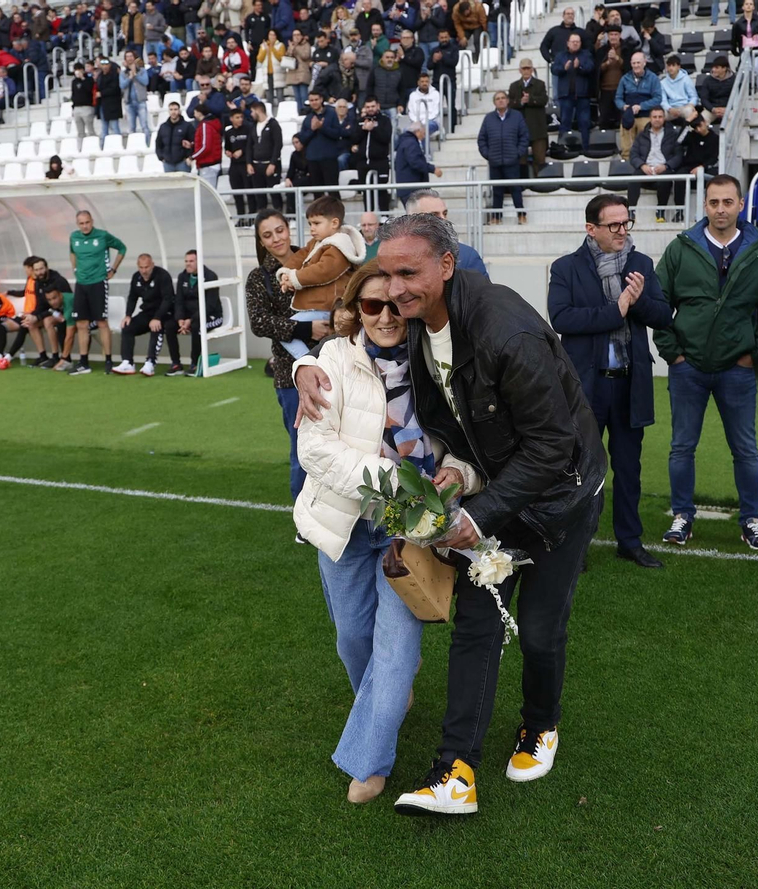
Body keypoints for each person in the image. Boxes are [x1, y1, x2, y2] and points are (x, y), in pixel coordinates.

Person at [294, 213, 607, 817]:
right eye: (386, 275)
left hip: (559, 498)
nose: (396, 292)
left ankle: (540, 724)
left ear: (446, 265)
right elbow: (359, 354)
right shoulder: (413, 325)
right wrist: (300, 362)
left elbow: (553, 448)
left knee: (540, 631)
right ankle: (453, 772)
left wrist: (475, 510)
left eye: (408, 273)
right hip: (489, 492)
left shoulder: (502, 329)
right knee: (475, 627)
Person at [293, 262, 463, 805]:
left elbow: (472, 442)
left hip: (411, 527)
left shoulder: (440, 359)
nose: (387, 316)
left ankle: (369, 761)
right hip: (346, 522)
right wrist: (400, 481)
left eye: (395, 304)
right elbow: (315, 451)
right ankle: (390, 700)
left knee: (394, 650)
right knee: (353, 640)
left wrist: (457, 475)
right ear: (353, 311)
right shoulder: (331, 362)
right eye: (372, 306)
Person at [548, 193, 673, 568]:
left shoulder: (641, 264)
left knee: (629, 466)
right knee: (582, 470)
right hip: (586, 385)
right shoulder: (566, 267)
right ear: (591, 228)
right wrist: (614, 310)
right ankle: (577, 543)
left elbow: (663, 315)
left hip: (630, 383)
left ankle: (629, 541)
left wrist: (636, 302)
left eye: (626, 223)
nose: (622, 231)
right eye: (613, 225)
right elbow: (562, 320)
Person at [655, 176, 758, 552]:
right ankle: (682, 514)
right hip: (687, 367)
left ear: (741, 205)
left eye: (728, 202)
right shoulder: (681, 249)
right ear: (704, 206)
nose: (721, 209)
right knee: (682, 447)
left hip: (735, 370)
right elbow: (657, 303)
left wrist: (751, 356)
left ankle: (751, 519)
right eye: (714, 202)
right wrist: (672, 352)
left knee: (745, 449)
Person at [248, 209, 325, 504]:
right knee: (302, 447)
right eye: (268, 235)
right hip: (289, 375)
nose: (276, 238)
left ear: (289, 229)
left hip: (327, 365)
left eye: (279, 230)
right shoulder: (259, 277)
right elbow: (259, 323)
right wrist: (307, 328)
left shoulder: (314, 261)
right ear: (261, 242)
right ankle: (303, 515)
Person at [275, 195, 366, 356]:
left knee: (287, 331)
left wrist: (294, 279)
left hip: (328, 308)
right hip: (318, 308)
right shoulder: (317, 243)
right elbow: (300, 256)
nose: (312, 228)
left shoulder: (339, 246)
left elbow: (322, 271)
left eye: (316, 223)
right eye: (310, 223)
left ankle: (309, 362)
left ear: (334, 223)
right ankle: (314, 361)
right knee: (288, 331)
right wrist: (286, 274)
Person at [67, 210, 127, 375]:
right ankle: (84, 362)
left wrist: (113, 269)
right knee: (81, 323)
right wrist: (75, 269)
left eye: (87, 222)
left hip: (99, 283)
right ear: (77, 224)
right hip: (81, 284)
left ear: (92, 221)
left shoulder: (103, 236)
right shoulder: (74, 237)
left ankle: (108, 360)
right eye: (81, 223)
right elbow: (72, 253)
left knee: (101, 322)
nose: (85, 226)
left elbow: (122, 248)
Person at [113, 253, 177, 376]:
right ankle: (128, 363)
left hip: (165, 313)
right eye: (141, 267)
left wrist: (158, 317)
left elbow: (168, 299)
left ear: (152, 265)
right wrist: (128, 315)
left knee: (156, 327)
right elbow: (132, 297)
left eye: (146, 267)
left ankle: (150, 363)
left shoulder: (163, 275)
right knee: (127, 327)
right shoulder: (136, 277)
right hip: (147, 312)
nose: (144, 271)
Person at [404, 190, 490, 275]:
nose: (443, 219)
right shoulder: (396, 254)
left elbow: (484, 288)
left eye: (444, 213)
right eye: (434, 215)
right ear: (412, 219)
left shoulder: (467, 256)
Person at [477, 90, 530, 225]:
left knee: (516, 190)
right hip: (495, 162)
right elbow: (482, 139)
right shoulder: (488, 118)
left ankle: (521, 215)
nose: (500, 100)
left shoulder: (517, 116)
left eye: (503, 98)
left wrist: (517, 153)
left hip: (512, 160)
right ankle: (496, 217)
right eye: (497, 99)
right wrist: (488, 155)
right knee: (497, 191)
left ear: (507, 100)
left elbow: (524, 136)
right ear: (494, 102)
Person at [626, 107, 684, 224]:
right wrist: (642, 165)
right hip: (646, 167)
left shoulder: (672, 135)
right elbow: (633, 155)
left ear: (664, 118)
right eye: (654, 117)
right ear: (650, 118)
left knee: (666, 180)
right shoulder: (642, 135)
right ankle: (631, 211)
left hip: (663, 168)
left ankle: (660, 211)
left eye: (660, 117)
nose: (657, 119)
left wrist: (666, 166)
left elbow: (678, 156)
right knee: (633, 178)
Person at [173, 249, 222, 376]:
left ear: (199, 262)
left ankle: (195, 364)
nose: (188, 264)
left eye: (191, 261)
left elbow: (209, 305)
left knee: (197, 327)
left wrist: (191, 320)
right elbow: (178, 301)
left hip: (212, 316)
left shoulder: (210, 276)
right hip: (189, 318)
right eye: (186, 261)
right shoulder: (182, 276)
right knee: (168, 325)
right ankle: (176, 363)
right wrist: (180, 320)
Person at [614, 52, 661, 158]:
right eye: (634, 63)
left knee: (645, 146)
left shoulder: (653, 78)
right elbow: (618, 98)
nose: (636, 65)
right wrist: (623, 106)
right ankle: (627, 163)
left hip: (646, 115)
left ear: (644, 63)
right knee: (627, 148)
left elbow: (658, 98)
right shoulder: (624, 79)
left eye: (638, 63)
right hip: (628, 116)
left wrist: (641, 106)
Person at [553, 34, 594, 150]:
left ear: (580, 43)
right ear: (568, 43)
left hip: (582, 95)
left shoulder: (586, 54)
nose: (575, 43)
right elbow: (554, 69)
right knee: (565, 122)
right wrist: (564, 68)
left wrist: (579, 66)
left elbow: (591, 67)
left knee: (584, 123)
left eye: (577, 41)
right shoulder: (561, 56)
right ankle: (562, 147)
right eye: (573, 41)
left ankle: (585, 148)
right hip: (566, 96)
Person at [507, 59, 549, 170]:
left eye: (528, 68)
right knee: (521, 161)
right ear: (520, 70)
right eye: (524, 68)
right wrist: (520, 102)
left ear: (532, 69)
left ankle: (541, 185)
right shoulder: (514, 86)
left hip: (537, 128)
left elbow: (544, 100)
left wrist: (530, 100)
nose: (526, 71)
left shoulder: (540, 84)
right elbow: (509, 103)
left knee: (540, 160)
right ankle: (522, 185)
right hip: (519, 129)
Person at [393, 122, 440, 205]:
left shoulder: (405, 141)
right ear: (418, 131)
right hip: (411, 188)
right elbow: (415, 162)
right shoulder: (411, 143)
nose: (424, 136)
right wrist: (432, 169)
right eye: (423, 133)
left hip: (407, 187)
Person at [658, 54, 700, 122]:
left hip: (685, 106)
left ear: (678, 67)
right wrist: (669, 109)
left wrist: (690, 105)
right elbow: (663, 100)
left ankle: (688, 131)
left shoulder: (686, 79)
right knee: (659, 115)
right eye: (669, 66)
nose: (671, 68)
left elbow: (694, 96)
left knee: (690, 111)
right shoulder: (663, 82)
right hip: (671, 108)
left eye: (673, 65)